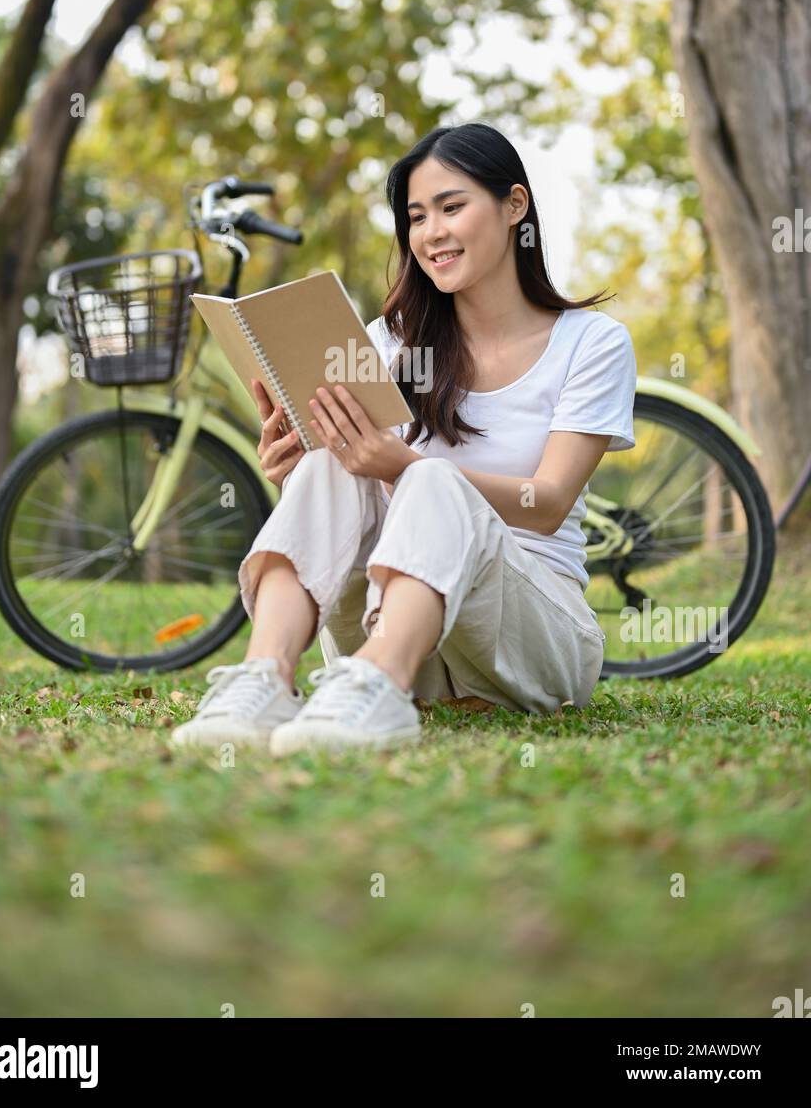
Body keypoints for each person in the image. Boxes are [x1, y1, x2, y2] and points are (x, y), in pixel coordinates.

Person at [171, 121, 637, 759]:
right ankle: (266, 678)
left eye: (452, 207)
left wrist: (407, 466)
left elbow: (549, 501)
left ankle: (378, 683)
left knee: (430, 476)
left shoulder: (591, 343)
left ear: (514, 206)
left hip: (532, 641)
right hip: (401, 629)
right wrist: (301, 457)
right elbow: (355, 484)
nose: (432, 233)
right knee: (329, 468)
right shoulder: (389, 342)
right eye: (417, 217)